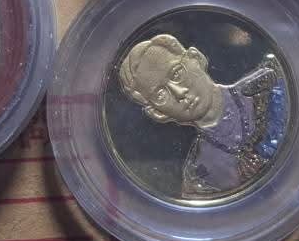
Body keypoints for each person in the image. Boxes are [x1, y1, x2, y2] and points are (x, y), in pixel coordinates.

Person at [118, 33, 287, 198]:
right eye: (160, 94)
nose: (179, 92)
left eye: (176, 74)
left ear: (196, 58)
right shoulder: (199, 177)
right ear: (157, 113)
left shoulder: (271, 84)